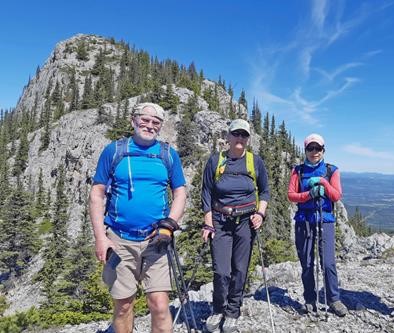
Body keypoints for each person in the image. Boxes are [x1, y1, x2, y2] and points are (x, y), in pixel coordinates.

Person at [89, 102, 187, 333]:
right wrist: (100, 238)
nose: (149, 125)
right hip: (120, 239)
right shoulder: (114, 151)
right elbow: (97, 194)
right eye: (145, 119)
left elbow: (180, 192)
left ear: (161, 126)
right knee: (123, 305)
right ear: (133, 120)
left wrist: (169, 225)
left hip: (157, 240)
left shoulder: (167, 154)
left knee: (160, 306)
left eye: (155, 122)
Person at [201, 119, 270, 333]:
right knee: (222, 271)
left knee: (240, 270)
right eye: (236, 134)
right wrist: (208, 221)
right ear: (228, 136)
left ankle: (233, 311)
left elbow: (265, 191)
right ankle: (218, 309)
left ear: (248, 139)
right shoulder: (215, 161)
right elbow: (206, 193)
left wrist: (260, 213)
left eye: (244, 135)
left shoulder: (254, 162)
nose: (240, 138)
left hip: (245, 222)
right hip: (221, 222)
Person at [287, 133, 348, 317]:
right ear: (305, 150)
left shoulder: (331, 170)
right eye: (310, 148)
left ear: (323, 150)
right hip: (304, 220)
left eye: (318, 148)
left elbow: (336, 195)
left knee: (328, 262)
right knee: (306, 263)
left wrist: (323, 183)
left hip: (325, 220)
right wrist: (308, 195)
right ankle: (309, 300)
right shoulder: (298, 171)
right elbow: (291, 195)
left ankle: (334, 300)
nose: (314, 152)